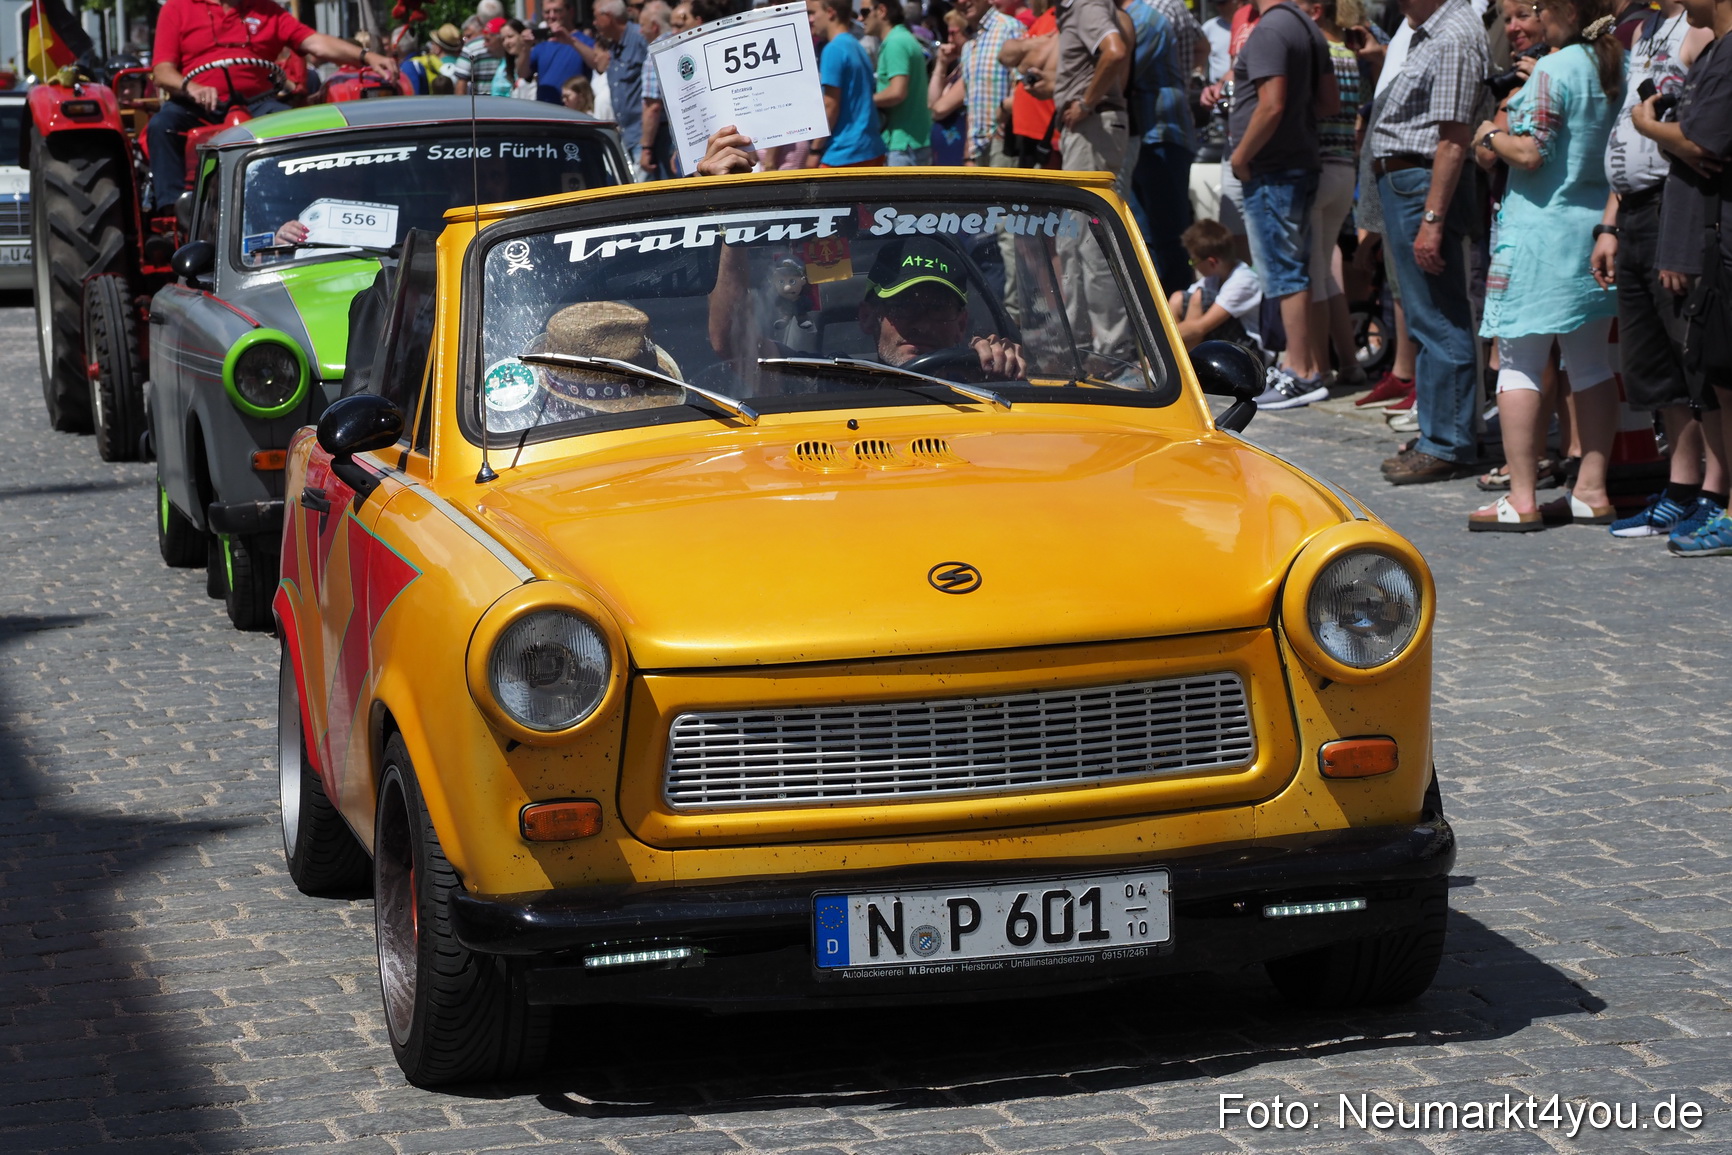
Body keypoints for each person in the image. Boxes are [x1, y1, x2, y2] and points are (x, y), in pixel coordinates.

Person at [1469, 0, 1622, 531]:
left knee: (1519, 362)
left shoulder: (1554, 68)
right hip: (1593, 229)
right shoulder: (1614, 61)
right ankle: (1591, 491)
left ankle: (1522, 497)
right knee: (1591, 363)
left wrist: (1488, 134)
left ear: (1564, 10)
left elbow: (1531, 152)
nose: (1532, 16)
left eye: (1538, 7)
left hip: (1538, 233)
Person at [1591, 0, 1721, 539]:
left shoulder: (1700, 27)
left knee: (1696, 359)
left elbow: (1702, 132)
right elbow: (1629, 124)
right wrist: (1609, 223)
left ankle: (1715, 489)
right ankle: (1681, 486)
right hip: (1634, 209)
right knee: (1653, 365)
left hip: (1676, 205)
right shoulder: (1642, 31)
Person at [1366, 0, 1489, 483]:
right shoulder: (1433, 32)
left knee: (1439, 316)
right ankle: (1439, 434)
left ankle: (1448, 443)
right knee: (1427, 316)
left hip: (1421, 187)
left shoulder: (1453, 35)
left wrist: (1432, 219)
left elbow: (1454, 138)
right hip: (1410, 184)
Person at [148, 0, 397, 207]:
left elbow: (315, 43)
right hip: (196, 106)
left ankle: (293, 204)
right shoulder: (177, 8)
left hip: (256, 104)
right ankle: (172, 212)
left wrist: (367, 56)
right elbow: (162, 71)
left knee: (292, 128)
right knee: (161, 126)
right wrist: (191, 87)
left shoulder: (267, 10)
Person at [1647, 0, 1732, 553]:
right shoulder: (1715, 50)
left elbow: (1705, 144)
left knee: (1726, 378)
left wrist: (1647, 125)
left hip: (1721, 241)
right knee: (1718, 379)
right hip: (1709, 239)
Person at [1228, 0, 1337, 408]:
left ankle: (1301, 373)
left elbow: (1272, 103)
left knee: (1283, 271)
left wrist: (1241, 157)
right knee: (1294, 268)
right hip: (1296, 162)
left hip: (1272, 169)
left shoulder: (1272, 28)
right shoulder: (1306, 27)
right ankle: (1301, 365)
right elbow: (1329, 101)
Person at [1056, 0, 1133, 362]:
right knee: (1073, 241)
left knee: (1090, 242)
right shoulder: (1078, 8)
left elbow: (1115, 52)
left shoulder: (1085, 4)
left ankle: (1111, 350)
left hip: (1093, 127)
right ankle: (1082, 345)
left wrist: (1086, 103)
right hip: (1089, 128)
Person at [1122, 0, 1197, 291]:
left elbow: (1118, 74)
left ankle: (1176, 308)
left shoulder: (1145, 19)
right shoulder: (1129, 18)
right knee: (1143, 236)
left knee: (1169, 236)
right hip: (1141, 138)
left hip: (1162, 136)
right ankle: (1157, 308)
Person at [808, 0, 887, 167]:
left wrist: (815, 150)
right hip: (870, 148)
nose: (810, 19)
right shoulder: (856, 46)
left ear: (830, 13)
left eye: (812, 13)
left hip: (845, 152)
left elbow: (831, 105)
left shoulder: (833, 49)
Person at [1169, 218, 1265, 351]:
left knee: (1199, 298)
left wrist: (1160, 336)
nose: (1193, 266)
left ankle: (1179, 360)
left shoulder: (1244, 281)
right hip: (1225, 337)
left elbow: (1200, 327)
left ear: (1212, 262)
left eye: (1194, 261)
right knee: (1178, 297)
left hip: (1249, 348)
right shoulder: (1214, 278)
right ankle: (1173, 357)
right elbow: (1183, 299)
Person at [959, 0, 1026, 166]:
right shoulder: (969, 43)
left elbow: (1023, 83)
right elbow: (969, 101)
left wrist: (1004, 120)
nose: (960, 1)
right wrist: (968, 151)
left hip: (1005, 141)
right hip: (977, 146)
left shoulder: (1009, 28)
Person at [866, 0, 933, 164]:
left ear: (881, 11)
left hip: (903, 145)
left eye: (865, 12)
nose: (861, 19)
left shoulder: (895, 42)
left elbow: (897, 92)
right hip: (912, 141)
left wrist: (863, 101)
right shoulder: (904, 38)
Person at [518, 0, 609, 105]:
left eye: (557, 11)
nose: (552, 16)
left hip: (575, 110)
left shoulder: (585, 42)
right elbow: (522, 73)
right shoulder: (541, 46)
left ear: (570, 12)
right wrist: (525, 48)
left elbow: (599, 65)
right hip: (545, 109)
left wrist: (571, 41)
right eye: (547, 12)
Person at [594, 0, 648, 158]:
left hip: (643, 138)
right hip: (626, 138)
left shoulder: (640, 38)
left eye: (596, 17)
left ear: (608, 17)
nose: (594, 23)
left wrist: (647, 145)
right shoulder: (614, 45)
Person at [453, 16, 509, 96]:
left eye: (468, 36)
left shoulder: (470, 48)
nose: (484, 44)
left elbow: (460, 87)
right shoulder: (471, 49)